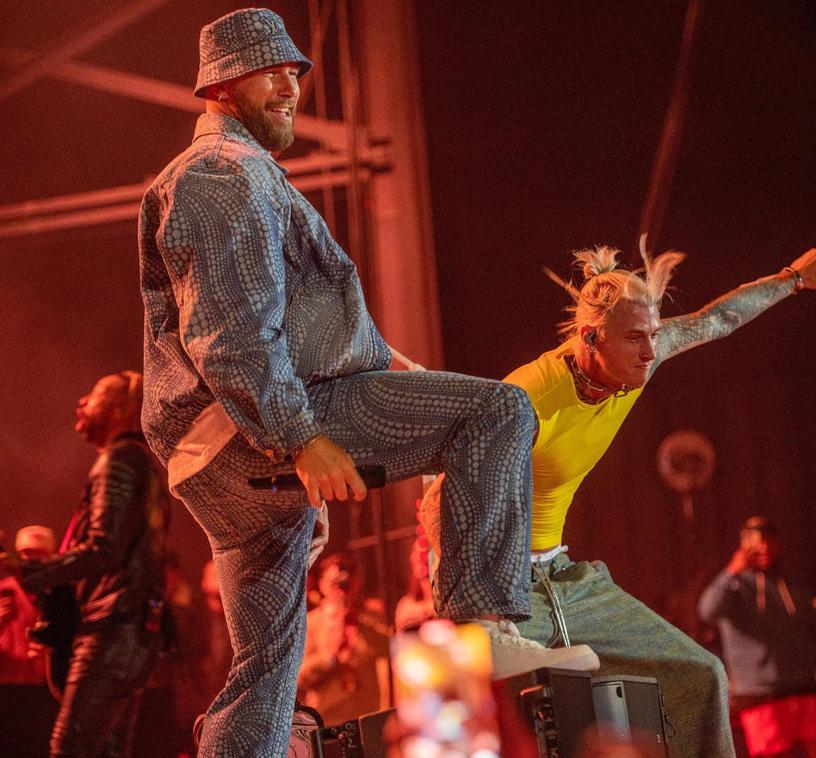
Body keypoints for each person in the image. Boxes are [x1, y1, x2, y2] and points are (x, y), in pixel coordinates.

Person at [138, 9, 595, 755]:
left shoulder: (233, 174)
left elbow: (291, 323)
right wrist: (302, 438)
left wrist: (391, 366)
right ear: (221, 82)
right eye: (274, 71)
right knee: (498, 413)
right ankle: (484, 625)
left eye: (296, 71)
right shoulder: (223, 175)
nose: (293, 85)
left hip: (224, 451)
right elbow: (230, 333)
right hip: (260, 427)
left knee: (266, 670)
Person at [424, 242, 816, 756]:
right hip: (503, 593)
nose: (650, 352)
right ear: (589, 338)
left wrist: (795, 278)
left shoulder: (634, 363)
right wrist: (476, 614)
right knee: (518, 723)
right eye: (634, 339)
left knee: (700, 673)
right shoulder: (529, 397)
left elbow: (716, 320)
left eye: (652, 336)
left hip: (568, 580)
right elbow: (436, 500)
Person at [12, 371, 170, 757]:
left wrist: (24, 572)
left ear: (123, 409)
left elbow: (103, 549)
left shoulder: (118, 461)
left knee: (71, 749)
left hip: (112, 629)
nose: (81, 402)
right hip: (136, 630)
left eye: (94, 396)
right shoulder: (146, 465)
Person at [699, 516, 816, 758]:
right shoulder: (734, 589)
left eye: (768, 540)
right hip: (761, 697)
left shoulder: (793, 586)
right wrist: (730, 572)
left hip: (806, 689)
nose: (764, 547)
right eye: (757, 541)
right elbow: (707, 610)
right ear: (744, 544)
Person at [298, 552, 391, 725]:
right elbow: (300, 676)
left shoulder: (373, 618)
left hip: (367, 713)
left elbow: (388, 658)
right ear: (322, 583)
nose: (341, 589)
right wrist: (328, 658)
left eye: (346, 584)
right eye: (335, 584)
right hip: (327, 716)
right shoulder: (311, 623)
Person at [0, 525, 57, 685]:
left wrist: (53, 652)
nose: (32, 561)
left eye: (40, 554)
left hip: (44, 687)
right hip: (6, 686)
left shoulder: (62, 595)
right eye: (27, 553)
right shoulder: (3, 590)